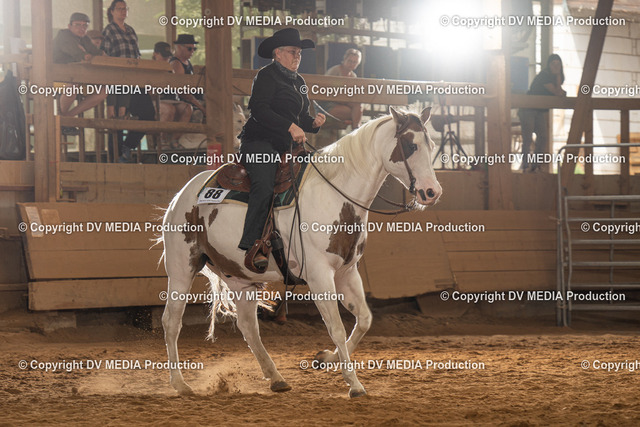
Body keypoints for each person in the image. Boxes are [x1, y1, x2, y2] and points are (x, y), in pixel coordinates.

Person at [238, 28, 325, 269]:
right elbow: (259, 110)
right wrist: (290, 126)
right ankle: (253, 243)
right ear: (277, 53)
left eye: (299, 53)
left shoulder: (300, 82)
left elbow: (302, 118)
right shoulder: (266, 76)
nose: (297, 56)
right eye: (293, 52)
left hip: (286, 146)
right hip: (259, 143)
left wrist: (313, 124)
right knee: (264, 185)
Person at [101, 0, 155, 162]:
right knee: (117, 117)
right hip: (117, 78)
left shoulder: (131, 30)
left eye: (125, 9)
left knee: (148, 114)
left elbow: (137, 55)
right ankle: (114, 157)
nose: (123, 11)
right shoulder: (109, 30)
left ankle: (127, 146)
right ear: (111, 11)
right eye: (119, 9)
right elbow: (105, 54)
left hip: (134, 79)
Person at [52, 12, 107, 134]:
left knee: (103, 91)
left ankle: (66, 118)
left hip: (78, 77)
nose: (82, 28)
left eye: (85, 25)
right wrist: (85, 54)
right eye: (77, 25)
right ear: (69, 26)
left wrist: (91, 54)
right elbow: (79, 54)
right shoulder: (63, 35)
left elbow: (98, 54)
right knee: (72, 86)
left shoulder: (84, 38)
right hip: (56, 76)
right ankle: (63, 120)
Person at [517, 54, 566, 172]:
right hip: (528, 109)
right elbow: (557, 93)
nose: (556, 67)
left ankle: (535, 165)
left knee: (543, 137)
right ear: (549, 65)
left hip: (539, 110)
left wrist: (558, 77)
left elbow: (559, 92)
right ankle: (525, 165)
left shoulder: (557, 78)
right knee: (527, 138)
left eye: (558, 64)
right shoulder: (544, 76)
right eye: (553, 64)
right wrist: (558, 79)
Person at [153, 41, 192, 148]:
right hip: (154, 101)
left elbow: (177, 87)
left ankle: (174, 140)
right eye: (163, 56)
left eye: (167, 57)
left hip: (171, 100)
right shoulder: (150, 68)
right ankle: (162, 141)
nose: (166, 59)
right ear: (155, 54)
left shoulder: (170, 69)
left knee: (187, 108)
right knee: (169, 109)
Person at [321, 48, 363, 128]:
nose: (352, 64)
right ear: (344, 59)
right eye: (350, 61)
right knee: (355, 114)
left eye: (355, 62)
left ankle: (356, 128)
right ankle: (356, 130)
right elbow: (324, 90)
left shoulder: (353, 76)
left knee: (358, 106)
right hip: (327, 105)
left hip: (344, 103)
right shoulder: (335, 71)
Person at [170, 34, 206, 120]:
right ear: (179, 47)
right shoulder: (176, 64)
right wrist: (201, 107)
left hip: (193, 99)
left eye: (194, 49)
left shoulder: (187, 63)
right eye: (189, 49)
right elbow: (182, 92)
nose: (192, 51)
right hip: (183, 102)